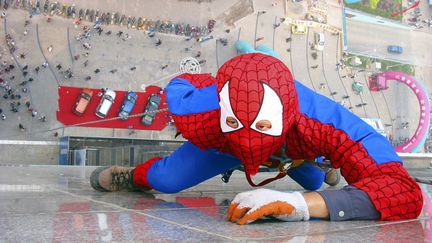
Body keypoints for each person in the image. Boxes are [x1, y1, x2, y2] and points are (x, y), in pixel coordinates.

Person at [90, 52, 422, 225]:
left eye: (261, 124)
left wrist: (300, 205)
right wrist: (209, 84)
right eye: (236, 117)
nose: (251, 139)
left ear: (290, 112)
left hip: (290, 152)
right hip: (229, 145)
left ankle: (322, 162)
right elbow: (180, 87)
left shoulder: (322, 119)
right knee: (167, 179)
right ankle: (130, 177)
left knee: (314, 183)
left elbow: (403, 190)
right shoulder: (204, 107)